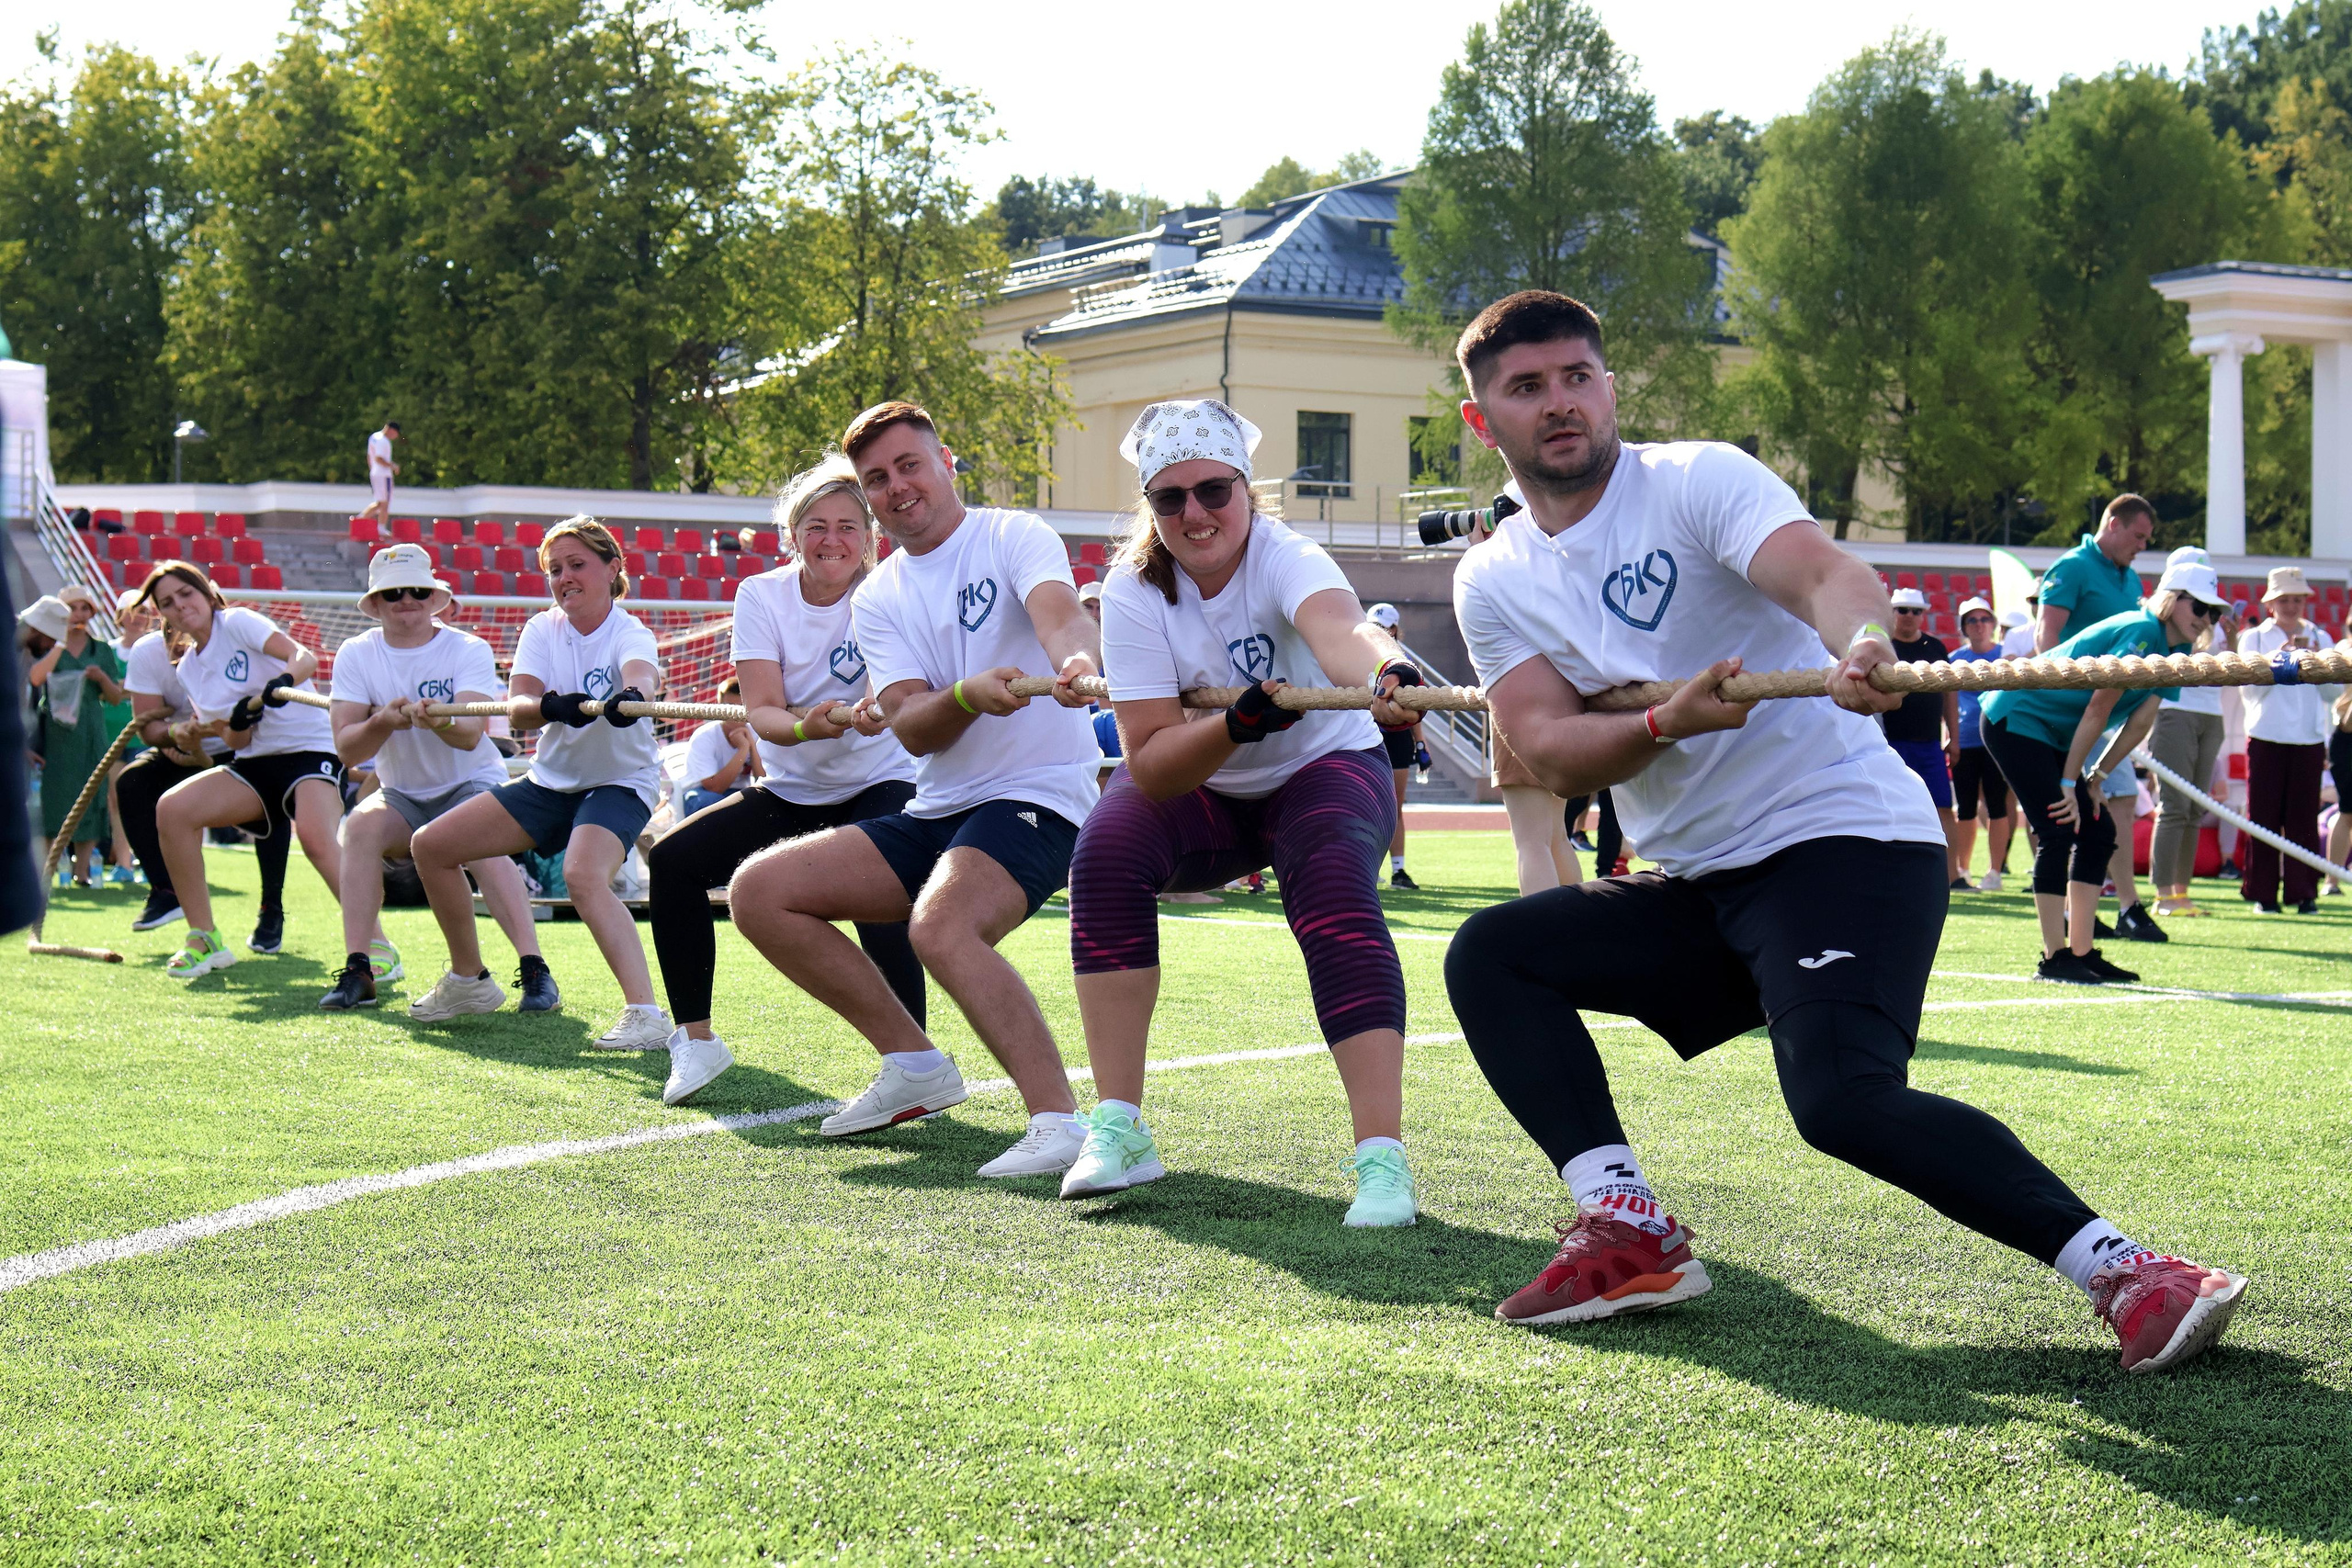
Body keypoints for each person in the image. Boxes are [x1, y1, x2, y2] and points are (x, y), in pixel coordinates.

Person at [1439, 289, 2244, 1373]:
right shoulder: (1491, 577)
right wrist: (1662, 721)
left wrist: (1862, 636)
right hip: (1706, 881)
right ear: (1480, 421)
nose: (1560, 403)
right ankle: (1625, 1228)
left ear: (1610, 386)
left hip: (1843, 845)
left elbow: (1820, 575)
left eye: (1577, 376)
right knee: (1495, 954)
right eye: (1525, 389)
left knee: (1841, 1102)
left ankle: (2133, 1271)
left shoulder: (1695, 481)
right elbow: (1542, 744)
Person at [1058, 398, 1421, 1224]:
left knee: (1331, 885)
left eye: (1214, 490)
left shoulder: (1289, 554)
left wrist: (1389, 668)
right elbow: (1149, 761)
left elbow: (1343, 633)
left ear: (1247, 488)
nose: (1195, 513)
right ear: (1150, 507)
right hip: (1207, 789)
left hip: (1325, 767)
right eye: (1169, 497)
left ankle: (1382, 1159)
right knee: (1104, 855)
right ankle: (1120, 1125)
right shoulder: (1134, 589)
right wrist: (1233, 725)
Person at [726, 401, 1102, 1179]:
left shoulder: (1012, 534)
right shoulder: (878, 594)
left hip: (1037, 796)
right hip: (937, 807)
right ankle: (914, 1063)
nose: (897, 486)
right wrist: (964, 695)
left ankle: (1061, 1120)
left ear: (947, 461)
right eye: (877, 478)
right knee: (759, 890)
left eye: (908, 465)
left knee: (940, 928)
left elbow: (1061, 616)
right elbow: (914, 726)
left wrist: (1075, 666)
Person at [647, 457, 922, 1108]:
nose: (833, 540)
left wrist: (880, 710)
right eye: (817, 525)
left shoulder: (892, 591)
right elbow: (764, 711)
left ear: (870, 536)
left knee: (876, 885)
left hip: (880, 782)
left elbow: (903, 697)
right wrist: (812, 727)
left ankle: (912, 1059)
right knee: (674, 862)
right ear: (792, 534)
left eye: (849, 526)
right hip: (792, 787)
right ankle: (696, 1040)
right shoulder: (761, 595)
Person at [411, 517, 672, 1048]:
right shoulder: (542, 628)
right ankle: (469, 981)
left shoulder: (630, 631)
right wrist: (550, 706)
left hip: (620, 783)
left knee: (582, 875)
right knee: (431, 845)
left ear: (612, 569)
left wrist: (630, 697)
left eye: (577, 565)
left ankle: (646, 1014)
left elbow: (644, 677)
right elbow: (520, 708)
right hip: (549, 784)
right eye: (555, 570)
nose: (564, 578)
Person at [319, 544, 553, 1013]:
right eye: (393, 593)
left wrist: (438, 722)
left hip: (470, 783)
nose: (407, 600)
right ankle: (359, 969)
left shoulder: (467, 648)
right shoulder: (356, 653)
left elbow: (469, 737)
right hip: (402, 794)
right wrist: (384, 721)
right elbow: (348, 749)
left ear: (434, 597)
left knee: (479, 844)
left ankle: (535, 971)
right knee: (360, 828)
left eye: (417, 590)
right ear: (376, 603)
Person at [1982, 563, 2228, 984]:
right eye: (2200, 607)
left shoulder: (2176, 650)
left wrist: (2095, 777)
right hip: (2016, 718)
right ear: (2172, 600)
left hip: (2051, 733)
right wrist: (2069, 782)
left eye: (2214, 613)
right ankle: (2054, 957)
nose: (2206, 620)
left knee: (2097, 833)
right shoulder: (2145, 631)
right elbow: (2099, 706)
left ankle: (2080, 952)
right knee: (2058, 829)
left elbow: (2139, 723)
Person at [141, 563, 348, 978]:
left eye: (185, 594)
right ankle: (205, 938)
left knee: (314, 837)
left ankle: (374, 945)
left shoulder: (237, 622)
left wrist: (282, 682)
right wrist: (238, 723)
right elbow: (237, 744)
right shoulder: (188, 670)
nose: (180, 607)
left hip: (311, 749)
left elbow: (302, 658)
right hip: (256, 763)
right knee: (172, 809)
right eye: (168, 603)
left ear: (204, 592)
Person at [2236, 567, 2336, 914]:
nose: (2291, 606)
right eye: (2285, 600)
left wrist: (2315, 666)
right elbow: (2247, 692)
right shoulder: (2253, 639)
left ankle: (2303, 892)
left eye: (2297, 599)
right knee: (2262, 817)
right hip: (2266, 736)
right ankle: (2263, 893)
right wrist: (2277, 664)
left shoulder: (2322, 639)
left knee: (2304, 819)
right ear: (2270, 604)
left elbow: (2332, 695)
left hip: (2308, 739)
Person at [2147, 547, 2233, 918]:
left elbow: (2230, 674)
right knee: (2174, 806)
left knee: (2196, 808)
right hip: (2174, 712)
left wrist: (2234, 639)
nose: (2205, 613)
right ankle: (2164, 892)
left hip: (2210, 714)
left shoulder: (2211, 620)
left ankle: (2181, 891)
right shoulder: (2165, 623)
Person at [21, 589, 124, 886]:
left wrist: (101, 678)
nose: (78, 615)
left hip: (91, 728)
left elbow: (116, 697)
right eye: (71, 609)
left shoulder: (101, 649)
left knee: (91, 795)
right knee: (54, 796)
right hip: (55, 731)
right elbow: (36, 678)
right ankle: (46, 871)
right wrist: (60, 642)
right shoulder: (46, 645)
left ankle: (82, 871)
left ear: (92, 613)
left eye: (84, 608)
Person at [1882, 587, 1965, 887]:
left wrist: (1953, 738)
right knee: (1886, 810)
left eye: (1915, 611)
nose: (1909, 616)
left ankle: (1953, 876)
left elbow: (1950, 694)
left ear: (1924, 614)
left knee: (1944, 807)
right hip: (1888, 744)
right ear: (1892, 612)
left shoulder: (1936, 648)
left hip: (1929, 745)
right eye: (1903, 610)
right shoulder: (1882, 646)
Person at [1947, 598, 2015, 891]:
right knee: (1965, 808)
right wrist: (1951, 738)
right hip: (1964, 740)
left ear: (1993, 625)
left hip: (1998, 741)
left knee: (1997, 805)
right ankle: (1962, 867)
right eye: (1972, 620)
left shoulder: (2006, 655)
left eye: (1984, 619)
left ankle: (1995, 871)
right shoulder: (1953, 659)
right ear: (1964, 627)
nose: (1978, 625)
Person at [1364, 602, 1422, 888]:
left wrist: (1421, 743)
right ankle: (1366, 868)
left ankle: (1399, 870)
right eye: (1374, 626)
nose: (1379, 631)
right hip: (1367, 732)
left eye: (1384, 626)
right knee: (1364, 805)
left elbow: (1417, 709)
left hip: (1398, 736)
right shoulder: (1360, 656)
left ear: (1395, 628)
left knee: (1395, 806)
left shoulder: (1405, 660)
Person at [1495, 728, 1582, 895]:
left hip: (1520, 726)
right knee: (1557, 837)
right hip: (1561, 729)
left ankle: (1545, 921)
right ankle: (1576, 918)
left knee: (1531, 841)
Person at [677, 676, 762, 819]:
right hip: (700, 794)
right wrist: (743, 749)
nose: (735, 714)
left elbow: (762, 779)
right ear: (719, 705)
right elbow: (715, 788)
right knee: (715, 805)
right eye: (730, 707)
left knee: (764, 803)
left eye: (740, 707)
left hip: (738, 793)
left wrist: (752, 746)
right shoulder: (705, 736)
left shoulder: (755, 732)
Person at [365, 421, 401, 532]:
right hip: (383, 474)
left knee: (379, 502)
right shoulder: (383, 441)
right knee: (385, 502)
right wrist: (393, 466)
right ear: (391, 430)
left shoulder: (374, 437)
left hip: (375, 473)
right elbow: (379, 458)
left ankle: (360, 519)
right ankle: (381, 527)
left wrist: (372, 469)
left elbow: (369, 457)